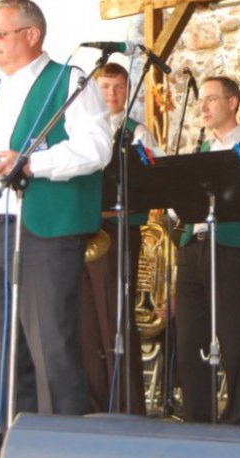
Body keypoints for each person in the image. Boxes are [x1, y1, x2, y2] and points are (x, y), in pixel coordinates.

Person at [0, 0, 112, 434]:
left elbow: (97, 146)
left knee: (52, 346)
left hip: (45, 230)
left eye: (0, 33)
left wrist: (35, 163)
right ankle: (10, 440)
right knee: (2, 348)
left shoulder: (69, 79)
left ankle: (63, 445)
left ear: (31, 35)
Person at [176, 76, 240, 425]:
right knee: (189, 341)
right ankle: (196, 421)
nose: (202, 106)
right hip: (193, 248)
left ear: (233, 102)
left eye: (211, 99)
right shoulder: (200, 149)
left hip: (230, 248)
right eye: (201, 100)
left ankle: (235, 422)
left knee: (234, 340)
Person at [82, 62, 156, 414]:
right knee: (87, 320)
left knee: (115, 317)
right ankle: (94, 398)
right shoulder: (81, 130)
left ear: (128, 92)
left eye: (118, 88)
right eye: (105, 87)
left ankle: (126, 402)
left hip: (120, 230)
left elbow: (151, 184)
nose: (111, 94)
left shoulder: (138, 133)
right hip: (84, 231)